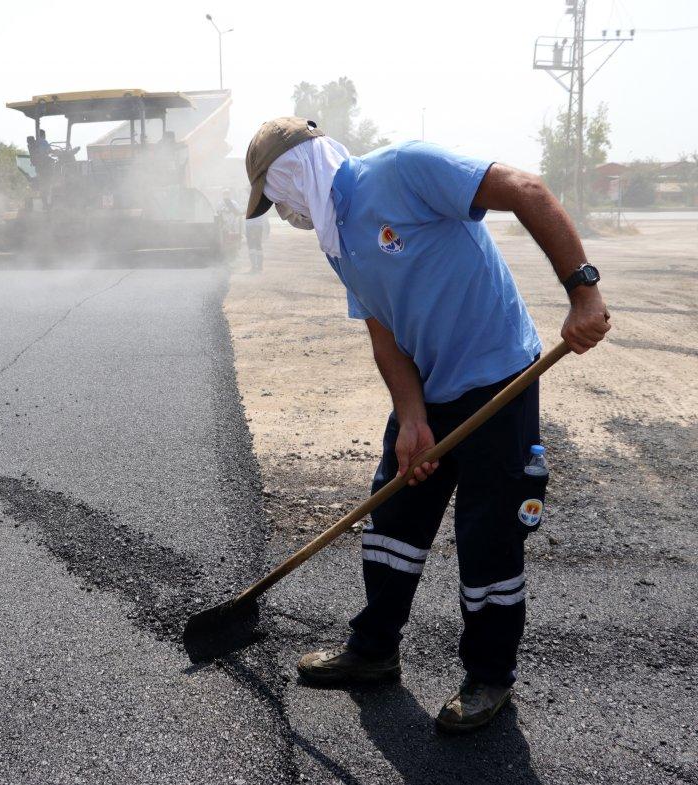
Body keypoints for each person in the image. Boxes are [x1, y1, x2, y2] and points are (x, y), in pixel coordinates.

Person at [244, 118, 610, 733]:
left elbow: (527, 190)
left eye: (274, 196)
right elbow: (384, 334)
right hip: (430, 391)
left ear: (291, 171)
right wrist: (411, 418)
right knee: (394, 519)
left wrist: (584, 293)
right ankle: (373, 651)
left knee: (489, 537)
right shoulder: (339, 243)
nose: (279, 212)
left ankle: (489, 679)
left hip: (499, 379)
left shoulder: (404, 169)